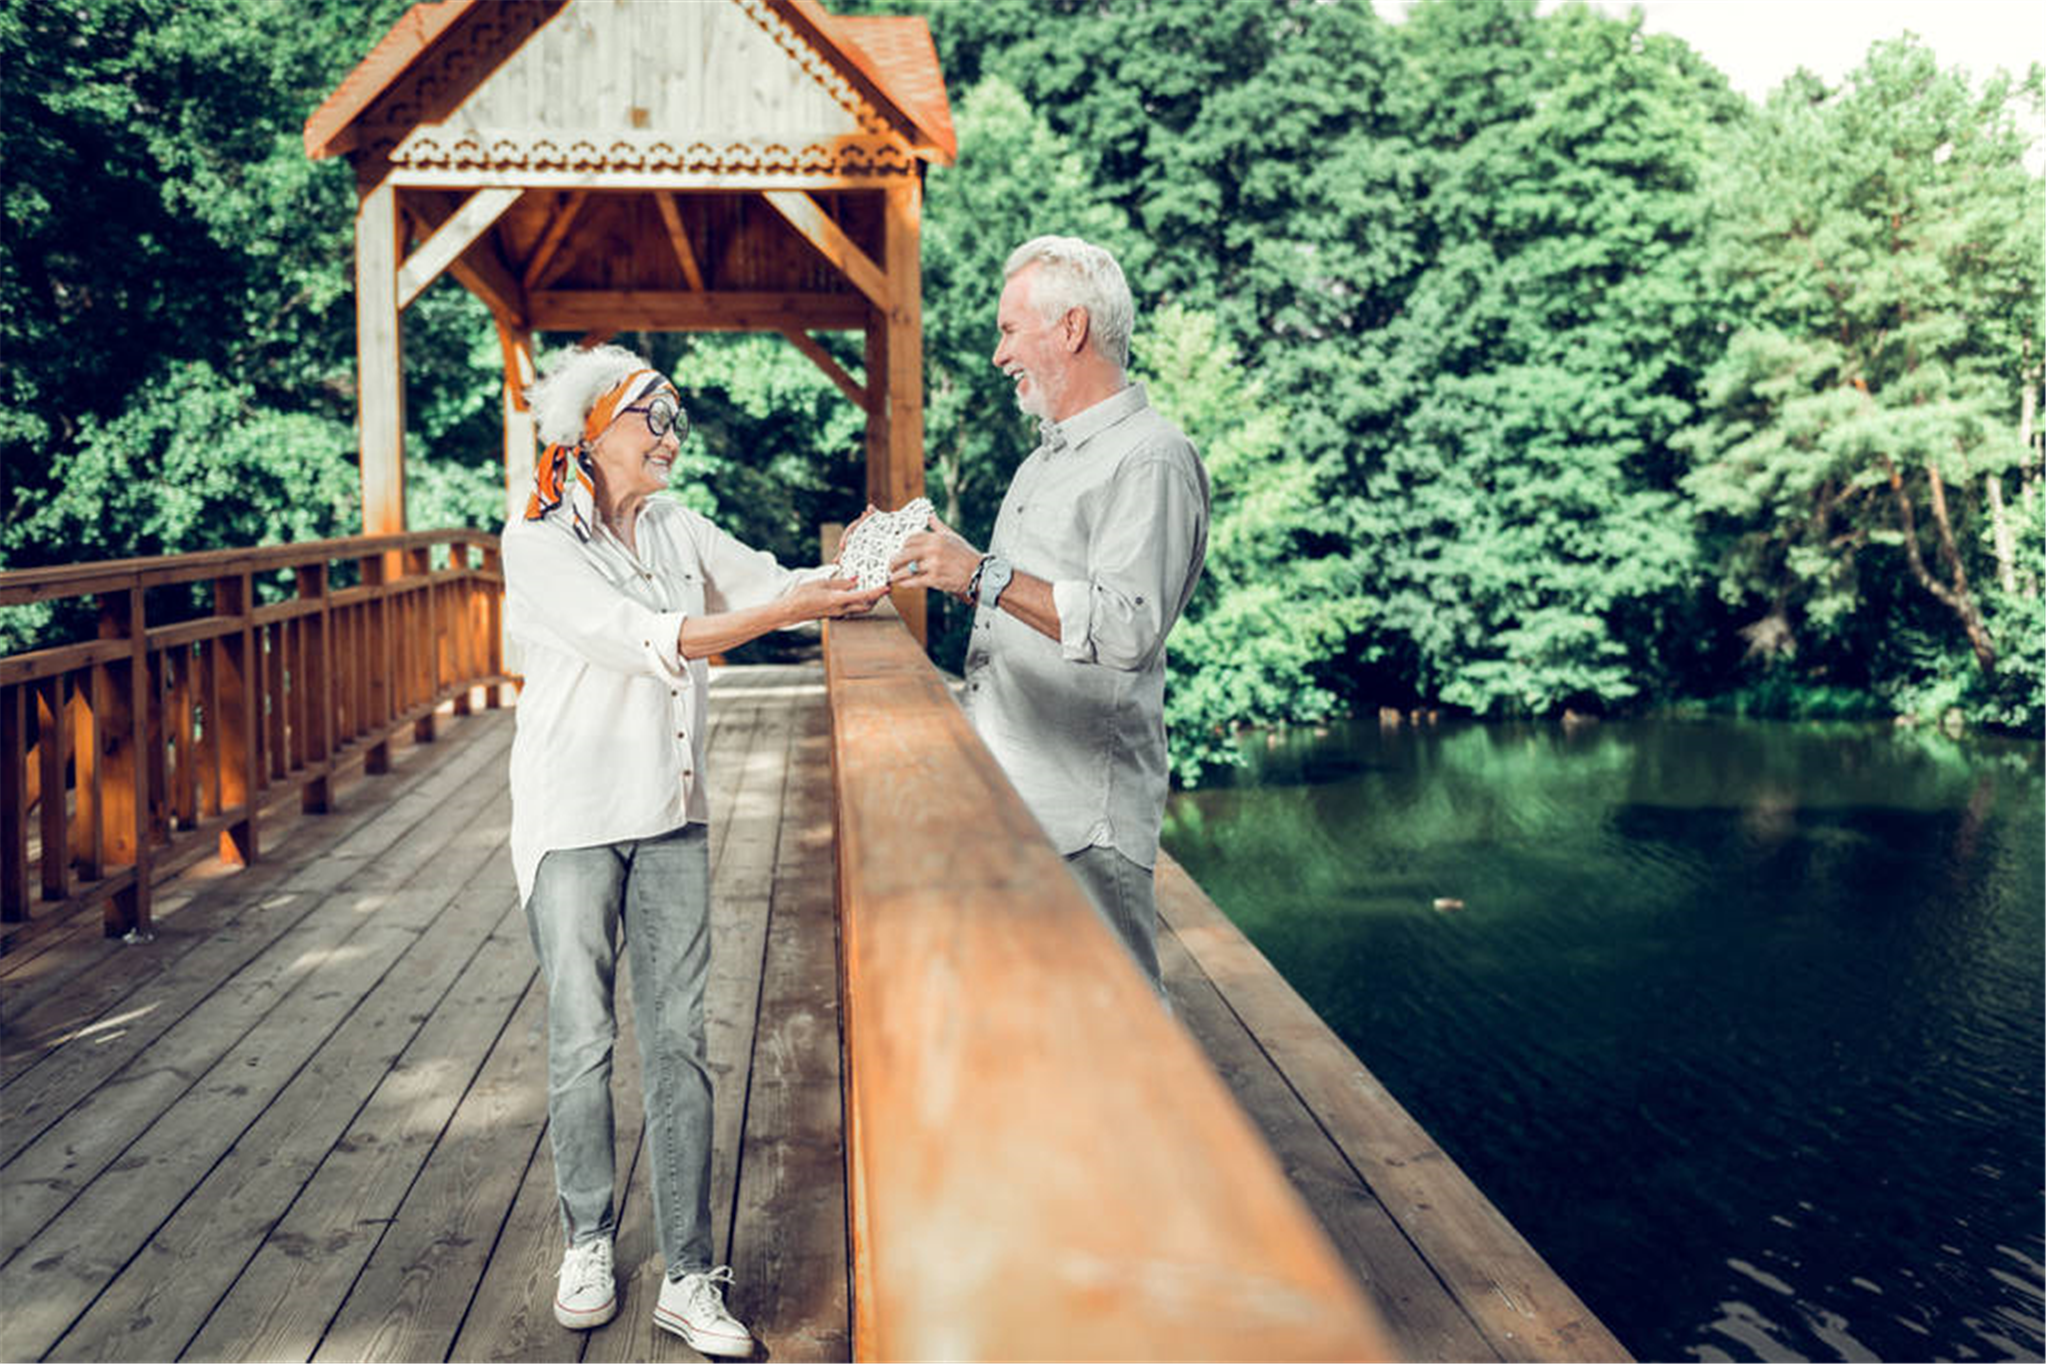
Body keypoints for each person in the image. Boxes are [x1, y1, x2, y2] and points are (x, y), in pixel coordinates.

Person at [502, 344, 884, 1354]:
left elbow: (772, 579)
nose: (670, 436)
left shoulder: (675, 520)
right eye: (650, 418)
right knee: (581, 1034)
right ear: (590, 429)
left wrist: (867, 565)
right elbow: (648, 634)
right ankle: (587, 1236)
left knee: (679, 1040)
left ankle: (689, 1272)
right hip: (572, 814)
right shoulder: (535, 540)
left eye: (676, 418)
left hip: (671, 806)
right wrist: (775, 613)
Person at [890, 236, 1209, 992]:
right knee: (1039, 1037)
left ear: (1071, 329)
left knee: (1122, 1038)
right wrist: (946, 565)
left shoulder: (1152, 457)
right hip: (1008, 805)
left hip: (1081, 823)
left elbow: (1127, 625)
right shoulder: (1043, 462)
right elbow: (1005, 607)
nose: (999, 355)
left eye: (1009, 330)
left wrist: (982, 575)